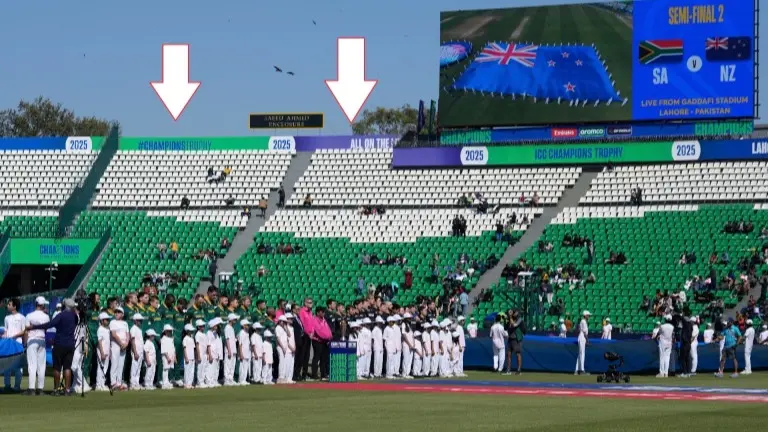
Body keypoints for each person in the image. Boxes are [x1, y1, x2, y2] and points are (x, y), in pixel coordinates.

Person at [27, 297, 80, 395]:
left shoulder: (61, 315)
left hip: (59, 343)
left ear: (64, 305)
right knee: (67, 367)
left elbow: (49, 325)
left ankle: (56, 389)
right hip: (70, 344)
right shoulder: (75, 316)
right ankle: (67, 390)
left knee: (57, 367)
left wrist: (33, 327)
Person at [24, 297, 50, 395]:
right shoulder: (46, 316)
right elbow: (46, 330)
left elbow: (26, 331)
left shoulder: (29, 315)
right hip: (42, 340)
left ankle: (31, 389)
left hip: (32, 340)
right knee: (41, 365)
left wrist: (25, 343)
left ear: (36, 304)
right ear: (43, 305)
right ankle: (40, 388)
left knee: (32, 364)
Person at [3, 298, 25, 392]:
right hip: (8, 344)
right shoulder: (7, 318)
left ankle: (17, 386)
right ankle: (7, 386)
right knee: (6, 366)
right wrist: (5, 336)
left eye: (9, 304)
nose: (7, 306)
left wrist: (15, 336)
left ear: (14, 306)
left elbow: (24, 331)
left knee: (18, 366)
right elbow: (6, 330)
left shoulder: (22, 317)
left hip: (18, 343)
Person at [108, 307, 129, 391]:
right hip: (116, 345)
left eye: (119, 312)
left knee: (121, 365)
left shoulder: (125, 323)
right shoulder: (113, 322)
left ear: (122, 314)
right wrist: (121, 344)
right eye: (115, 312)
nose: (116, 313)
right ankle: (113, 383)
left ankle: (119, 382)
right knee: (114, 364)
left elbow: (127, 334)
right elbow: (114, 334)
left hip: (124, 345)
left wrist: (126, 343)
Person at [95, 313, 112, 391]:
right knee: (100, 367)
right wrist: (102, 352)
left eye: (108, 319)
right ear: (102, 321)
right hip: (102, 352)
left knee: (105, 368)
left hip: (107, 351)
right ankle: (99, 385)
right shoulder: (100, 329)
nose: (108, 321)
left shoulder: (107, 329)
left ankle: (102, 383)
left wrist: (110, 352)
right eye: (106, 320)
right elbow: (99, 342)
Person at [129, 313, 146, 390]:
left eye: (141, 321)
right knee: (134, 367)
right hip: (136, 351)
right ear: (135, 321)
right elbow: (132, 341)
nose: (141, 322)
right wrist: (135, 352)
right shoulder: (133, 328)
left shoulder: (139, 329)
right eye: (139, 320)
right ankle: (133, 384)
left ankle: (136, 383)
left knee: (138, 368)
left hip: (140, 351)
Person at [505, 311, 525, 375]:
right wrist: (508, 319)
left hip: (516, 338)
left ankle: (519, 370)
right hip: (510, 338)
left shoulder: (519, 319)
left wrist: (510, 317)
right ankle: (508, 369)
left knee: (518, 354)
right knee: (508, 354)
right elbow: (506, 327)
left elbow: (514, 325)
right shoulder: (509, 319)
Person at [224, 313, 239, 386]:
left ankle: (231, 379)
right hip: (229, 350)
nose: (236, 321)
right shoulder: (227, 328)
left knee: (232, 365)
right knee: (228, 365)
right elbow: (227, 340)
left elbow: (232, 339)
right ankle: (227, 380)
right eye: (235, 319)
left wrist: (236, 338)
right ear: (231, 320)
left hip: (233, 350)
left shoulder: (231, 328)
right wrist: (229, 350)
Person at [575, 311, 590, 375]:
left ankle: (577, 370)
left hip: (581, 338)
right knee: (582, 354)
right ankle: (582, 370)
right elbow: (584, 332)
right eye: (588, 315)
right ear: (585, 315)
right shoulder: (583, 321)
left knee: (580, 354)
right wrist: (587, 340)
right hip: (582, 338)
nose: (589, 316)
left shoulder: (583, 321)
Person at [160, 325, 176, 389]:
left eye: (171, 331)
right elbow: (164, 349)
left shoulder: (171, 338)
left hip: (171, 356)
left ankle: (167, 381)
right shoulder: (163, 339)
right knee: (165, 369)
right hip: (166, 357)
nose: (170, 332)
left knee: (169, 369)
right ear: (165, 331)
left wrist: (174, 357)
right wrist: (167, 357)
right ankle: (164, 383)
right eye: (169, 331)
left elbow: (173, 348)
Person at [194, 319, 209, 388]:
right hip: (200, 353)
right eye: (201, 326)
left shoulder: (204, 334)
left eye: (203, 326)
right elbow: (197, 345)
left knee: (204, 368)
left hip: (205, 354)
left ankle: (202, 381)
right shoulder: (197, 334)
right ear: (198, 327)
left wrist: (207, 353)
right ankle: (199, 382)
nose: (203, 327)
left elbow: (206, 344)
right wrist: (199, 355)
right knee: (200, 368)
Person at [182, 324, 196, 389]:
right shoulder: (185, 339)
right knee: (187, 371)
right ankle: (186, 384)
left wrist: (194, 357)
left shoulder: (192, 338)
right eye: (190, 331)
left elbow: (193, 348)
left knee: (191, 371)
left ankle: (190, 383)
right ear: (187, 331)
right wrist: (186, 357)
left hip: (192, 357)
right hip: (187, 358)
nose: (192, 332)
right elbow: (184, 349)